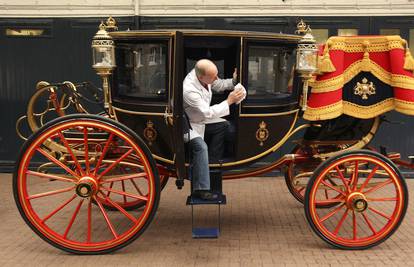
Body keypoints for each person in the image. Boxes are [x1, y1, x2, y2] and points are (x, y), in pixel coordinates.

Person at [183, 59, 246, 200]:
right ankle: (200, 189)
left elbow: (217, 84)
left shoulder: (204, 76)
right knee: (201, 147)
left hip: (201, 119)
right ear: (201, 77)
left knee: (225, 126)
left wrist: (234, 81)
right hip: (189, 125)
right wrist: (229, 101)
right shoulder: (189, 90)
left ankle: (212, 162)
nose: (215, 79)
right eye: (213, 77)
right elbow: (207, 113)